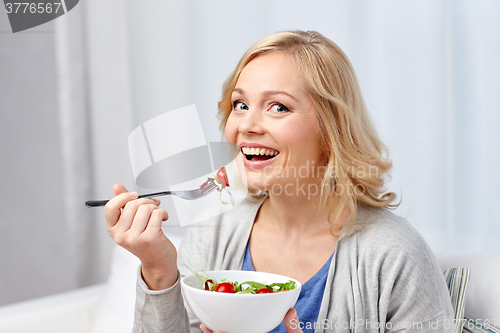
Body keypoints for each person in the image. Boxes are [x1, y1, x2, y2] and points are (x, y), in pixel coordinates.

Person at [105, 30, 455, 332]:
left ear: (331, 130)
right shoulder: (210, 236)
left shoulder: (395, 255)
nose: (246, 125)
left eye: (278, 107)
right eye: (240, 104)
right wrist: (158, 270)